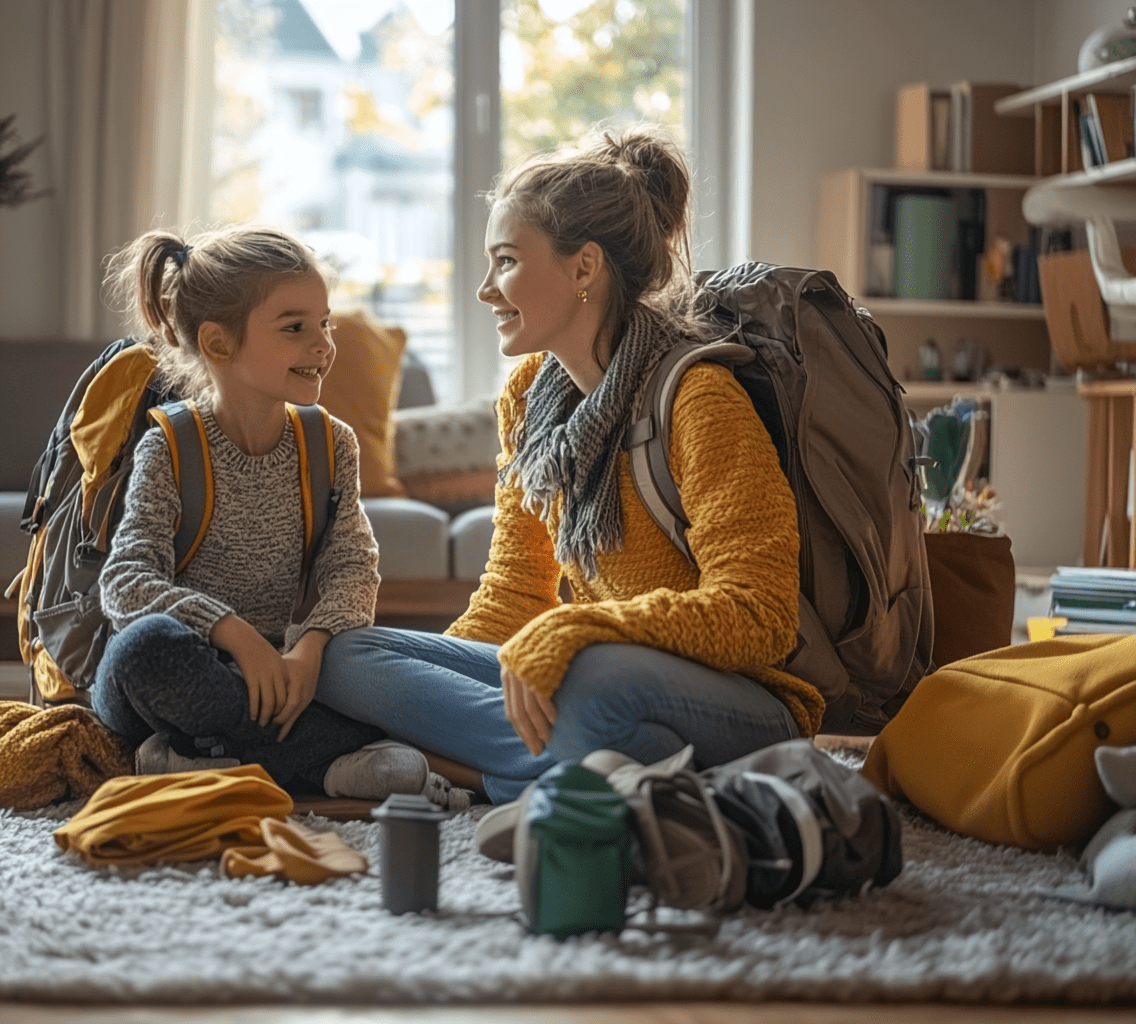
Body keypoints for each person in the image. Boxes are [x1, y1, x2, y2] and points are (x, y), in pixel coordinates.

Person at [316, 125, 825, 805]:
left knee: (588, 674)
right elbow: (515, 593)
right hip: (610, 690)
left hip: (743, 702)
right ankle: (574, 770)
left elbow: (759, 617)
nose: (484, 291)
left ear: (584, 269)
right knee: (349, 658)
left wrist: (580, 626)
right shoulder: (529, 397)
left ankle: (478, 767)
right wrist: (442, 690)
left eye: (504, 262)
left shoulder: (699, 397)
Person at [93, 224, 468, 808]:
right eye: (295, 328)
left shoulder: (331, 444)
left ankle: (199, 761)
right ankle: (324, 764)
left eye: (325, 324)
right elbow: (125, 581)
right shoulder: (168, 444)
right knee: (146, 649)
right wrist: (235, 635)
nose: (323, 346)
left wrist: (311, 647)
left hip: (278, 679)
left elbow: (352, 567)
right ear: (219, 344)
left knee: (364, 667)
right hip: (184, 675)